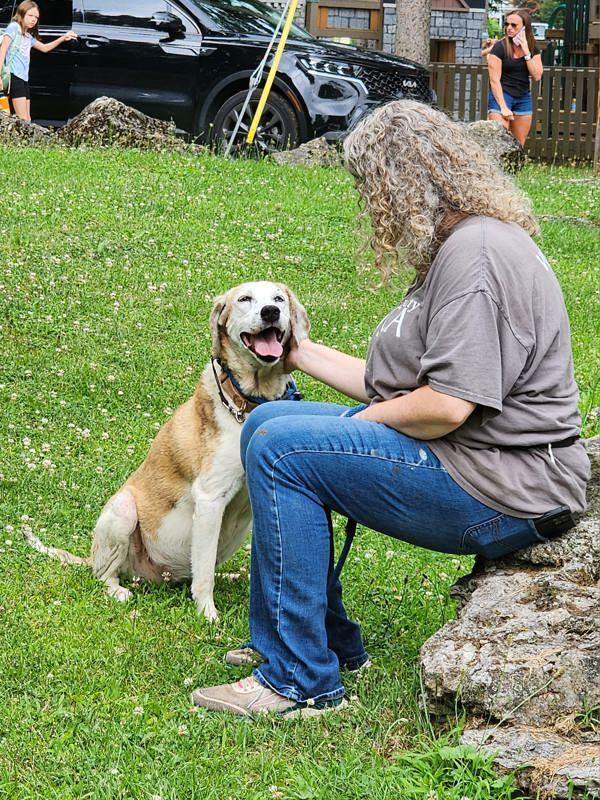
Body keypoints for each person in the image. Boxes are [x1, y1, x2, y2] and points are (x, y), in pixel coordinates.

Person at [191, 100, 590, 718]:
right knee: (270, 422)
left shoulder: (475, 259)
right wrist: (299, 353)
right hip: (481, 465)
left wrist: (355, 426)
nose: (370, 207)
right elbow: (393, 384)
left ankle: (298, 680)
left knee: (280, 446)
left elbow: (447, 406)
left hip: (505, 488)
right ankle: (325, 641)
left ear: (397, 184)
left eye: (368, 188)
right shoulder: (465, 242)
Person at [0, 1, 76, 122]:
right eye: (30, 16)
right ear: (21, 13)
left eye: (36, 17)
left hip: (24, 79)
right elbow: (2, 51)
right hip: (14, 76)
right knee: (22, 119)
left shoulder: (28, 36)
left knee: (28, 118)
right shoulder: (13, 28)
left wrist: (62, 38)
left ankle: (25, 140)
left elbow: (44, 48)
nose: (33, 20)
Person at [487, 8, 543, 146]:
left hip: (523, 97)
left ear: (524, 28)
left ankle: (513, 168)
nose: (509, 28)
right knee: (498, 141)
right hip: (502, 94)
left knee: (518, 145)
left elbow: (537, 75)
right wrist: (503, 107)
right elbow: (494, 80)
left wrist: (526, 52)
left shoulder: (531, 48)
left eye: (514, 25)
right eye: (507, 24)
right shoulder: (499, 48)